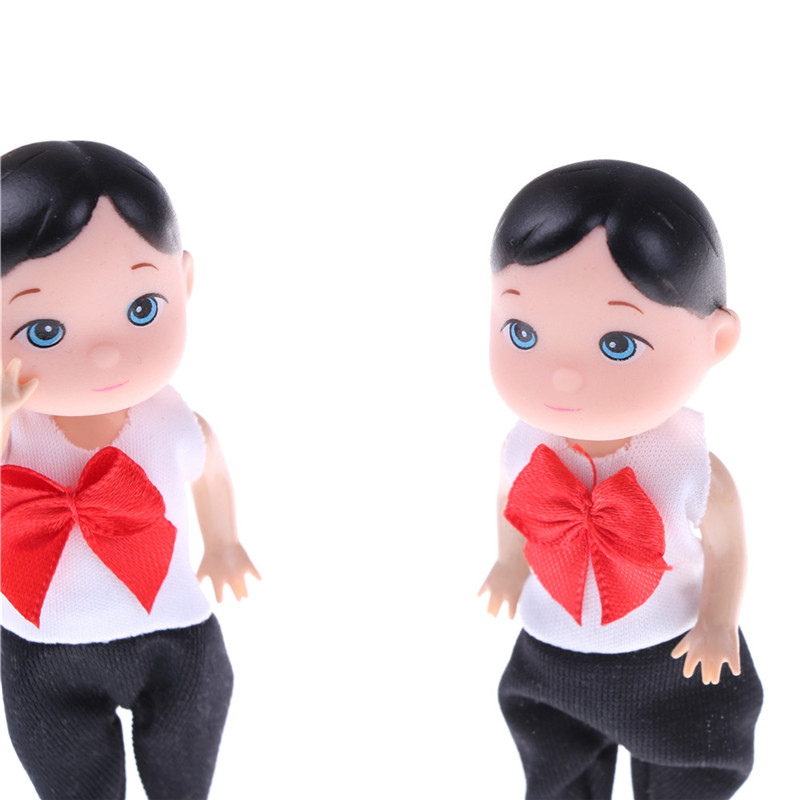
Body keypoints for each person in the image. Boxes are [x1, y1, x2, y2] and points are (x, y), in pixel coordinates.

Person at [479, 160, 763, 799]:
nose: (562, 374)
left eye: (619, 344)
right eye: (521, 332)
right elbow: (511, 505)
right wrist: (509, 563)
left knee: (691, 764)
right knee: (553, 763)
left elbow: (727, 548)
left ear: (715, 341)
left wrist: (718, 621)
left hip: (671, 657)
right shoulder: (522, 446)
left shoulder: (688, 466)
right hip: (549, 655)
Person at [1, 140, 259, 799]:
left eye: (143, 308)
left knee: (185, 778)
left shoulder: (171, 421)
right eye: (44, 331)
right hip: (43, 650)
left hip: (176, 637)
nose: (106, 356)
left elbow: (210, 472)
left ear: (184, 285)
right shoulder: (15, 430)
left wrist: (223, 542)